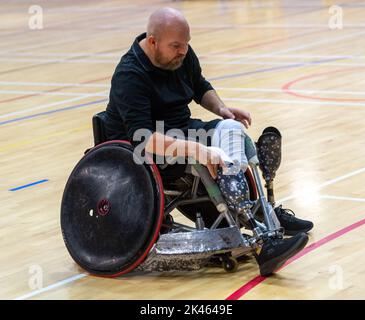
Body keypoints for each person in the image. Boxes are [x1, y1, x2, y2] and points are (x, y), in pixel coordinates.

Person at [105, 7, 313, 276]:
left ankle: (265, 213)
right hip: (145, 153)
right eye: (176, 46)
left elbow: (199, 85)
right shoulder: (129, 75)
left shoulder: (180, 53)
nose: (183, 51)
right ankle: (263, 239)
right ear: (153, 41)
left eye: (186, 44)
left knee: (231, 130)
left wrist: (222, 110)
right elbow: (143, 139)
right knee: (216, 154)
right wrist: (198, 150)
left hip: (184, 133)